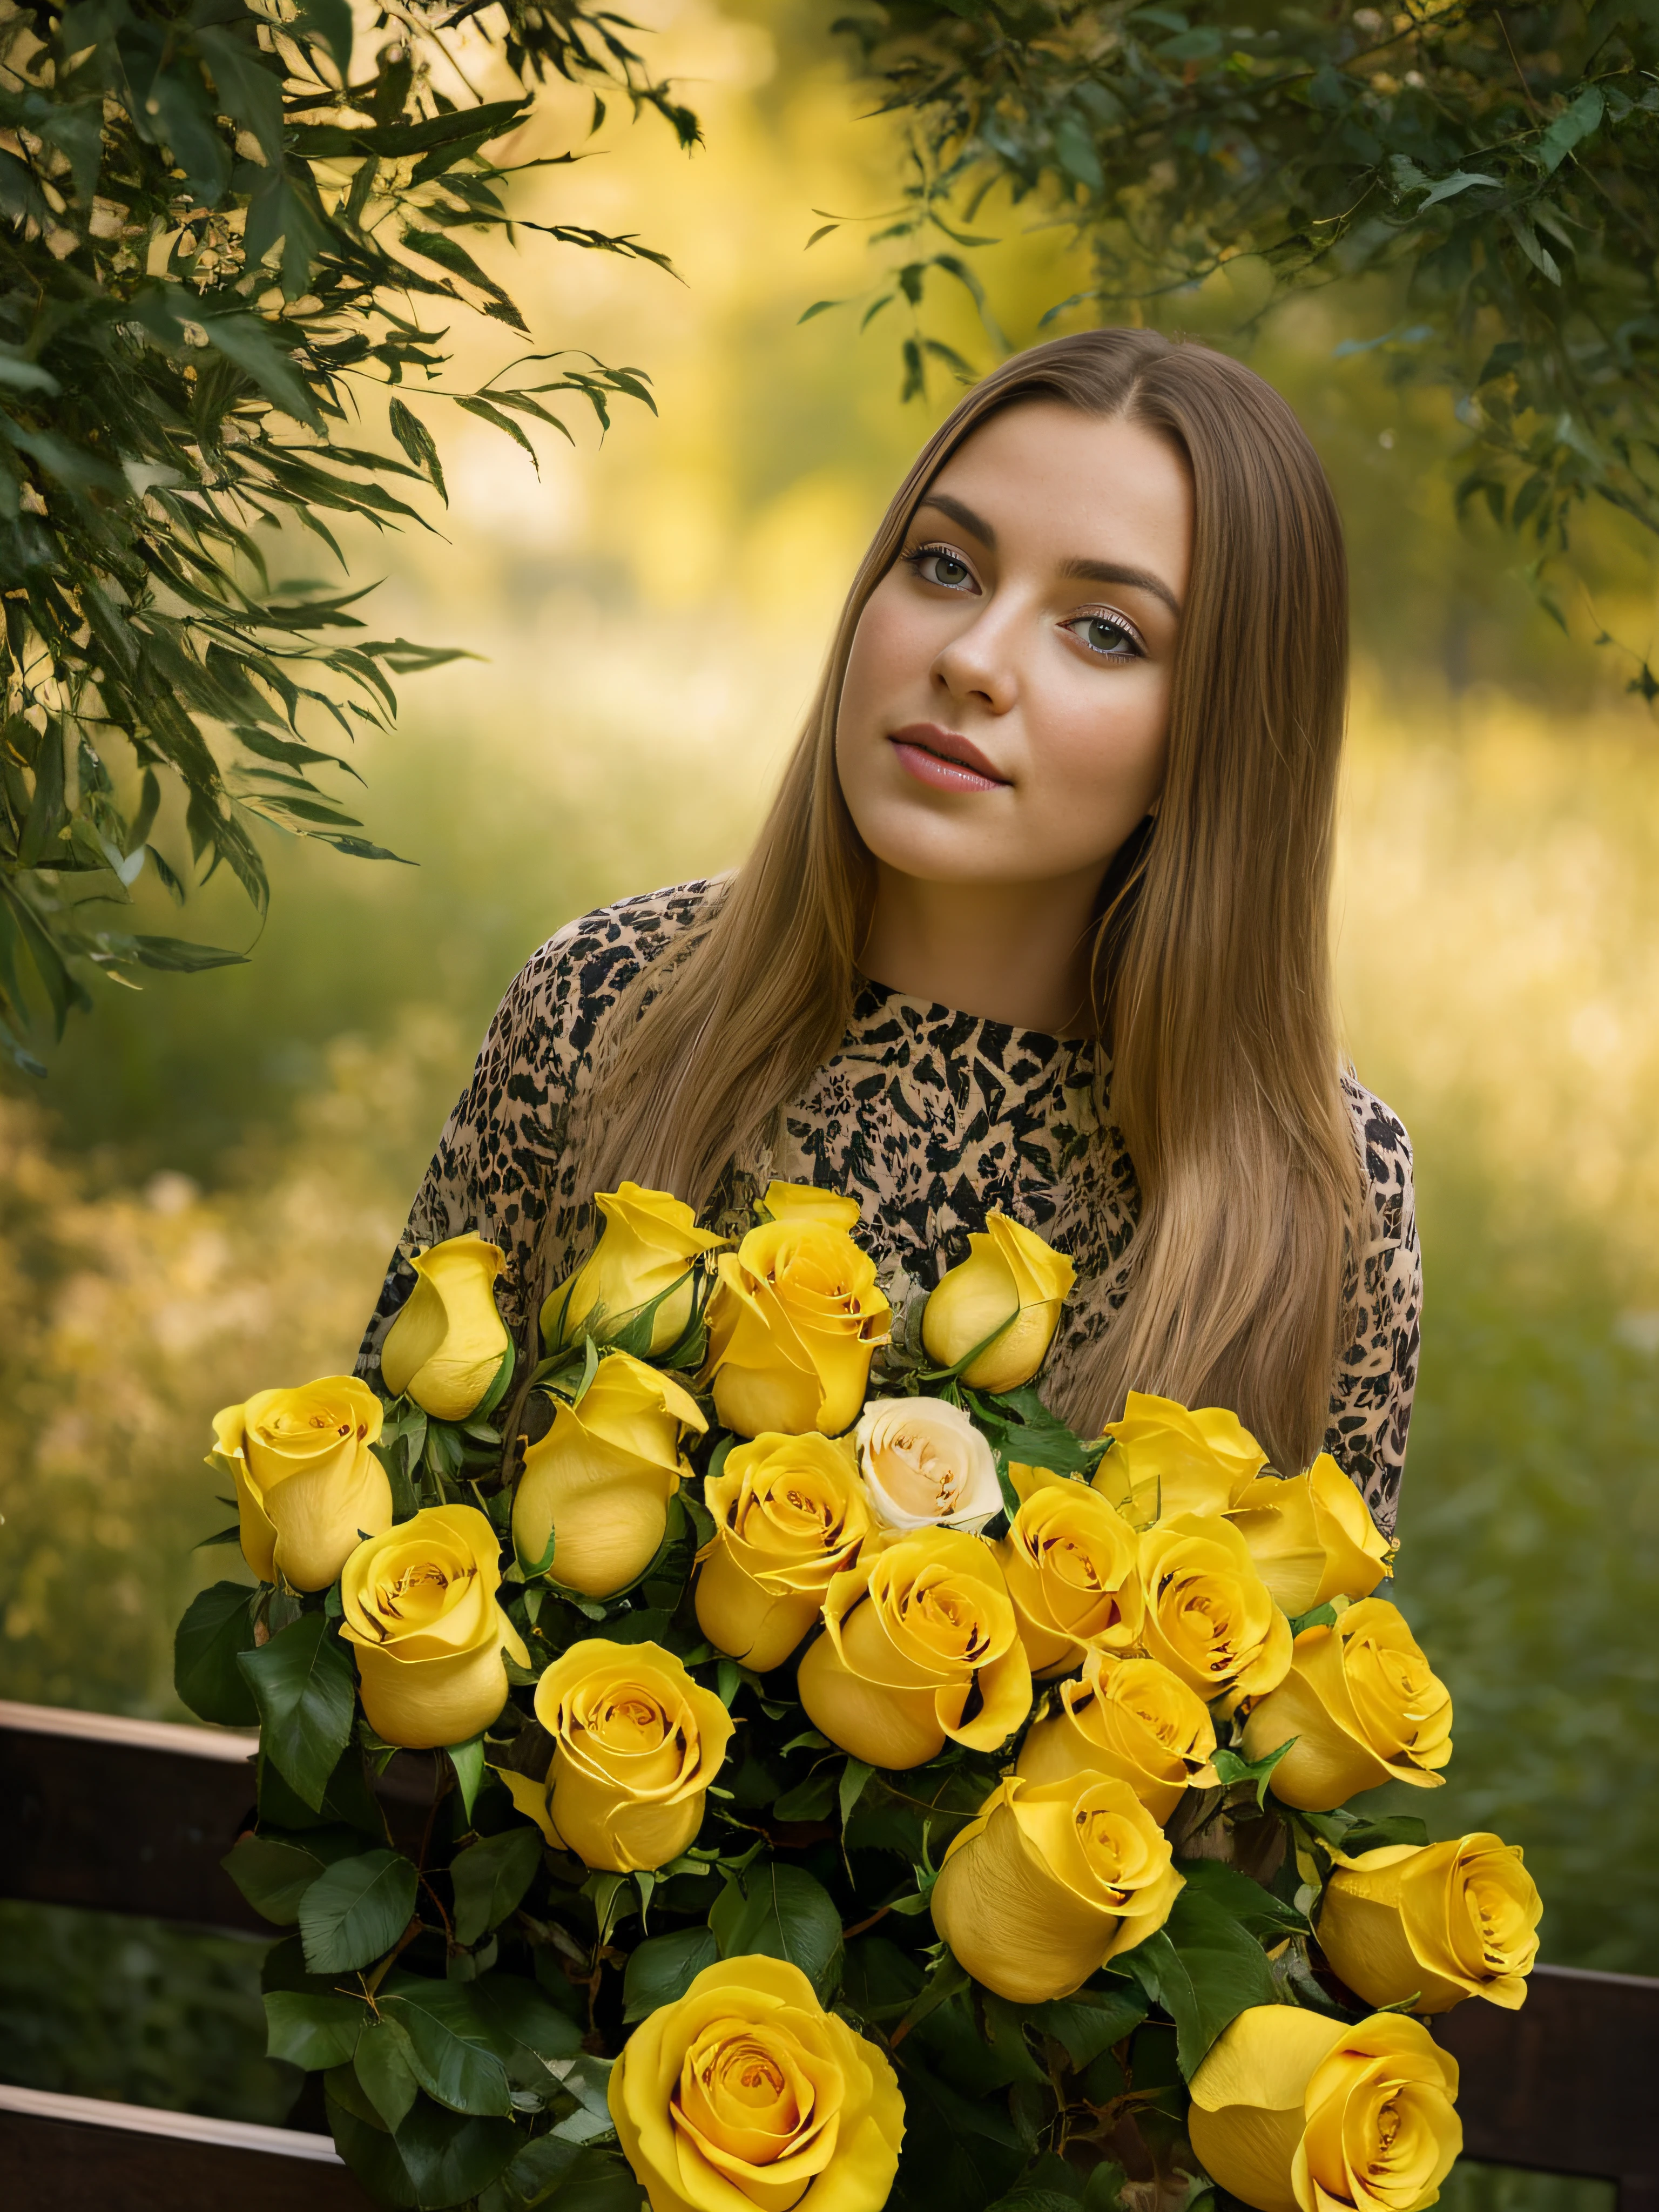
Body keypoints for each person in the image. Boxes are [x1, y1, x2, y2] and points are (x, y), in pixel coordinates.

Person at [358, 328, 1419, 1538]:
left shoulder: (1320, 1197)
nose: (970, 659)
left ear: (1218, 742)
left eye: (1105, 631)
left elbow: (1286, 1709)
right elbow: (365, 1575)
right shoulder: (608, 1004)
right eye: (947, 567)